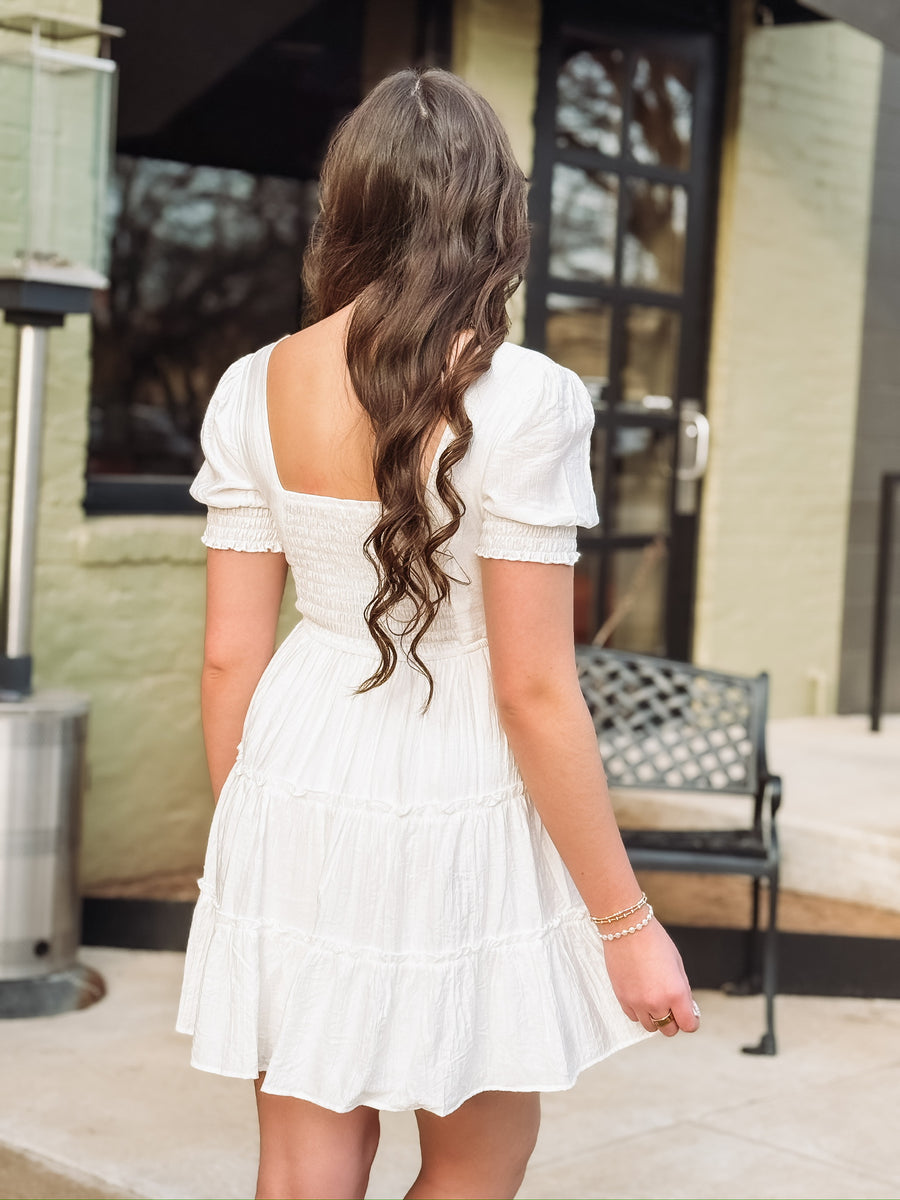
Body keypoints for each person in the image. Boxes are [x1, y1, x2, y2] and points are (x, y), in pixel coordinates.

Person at [177, 67, 699, 1200]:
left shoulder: (246, 387)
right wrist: (628, 922)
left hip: (297, 767)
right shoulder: (531, 400)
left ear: (349, 209)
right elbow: (534, 690)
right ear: (494, 215)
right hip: (463, 780)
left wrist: (250, 838)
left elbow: (228, 654)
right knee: (476, 1159)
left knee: (306, 1159)